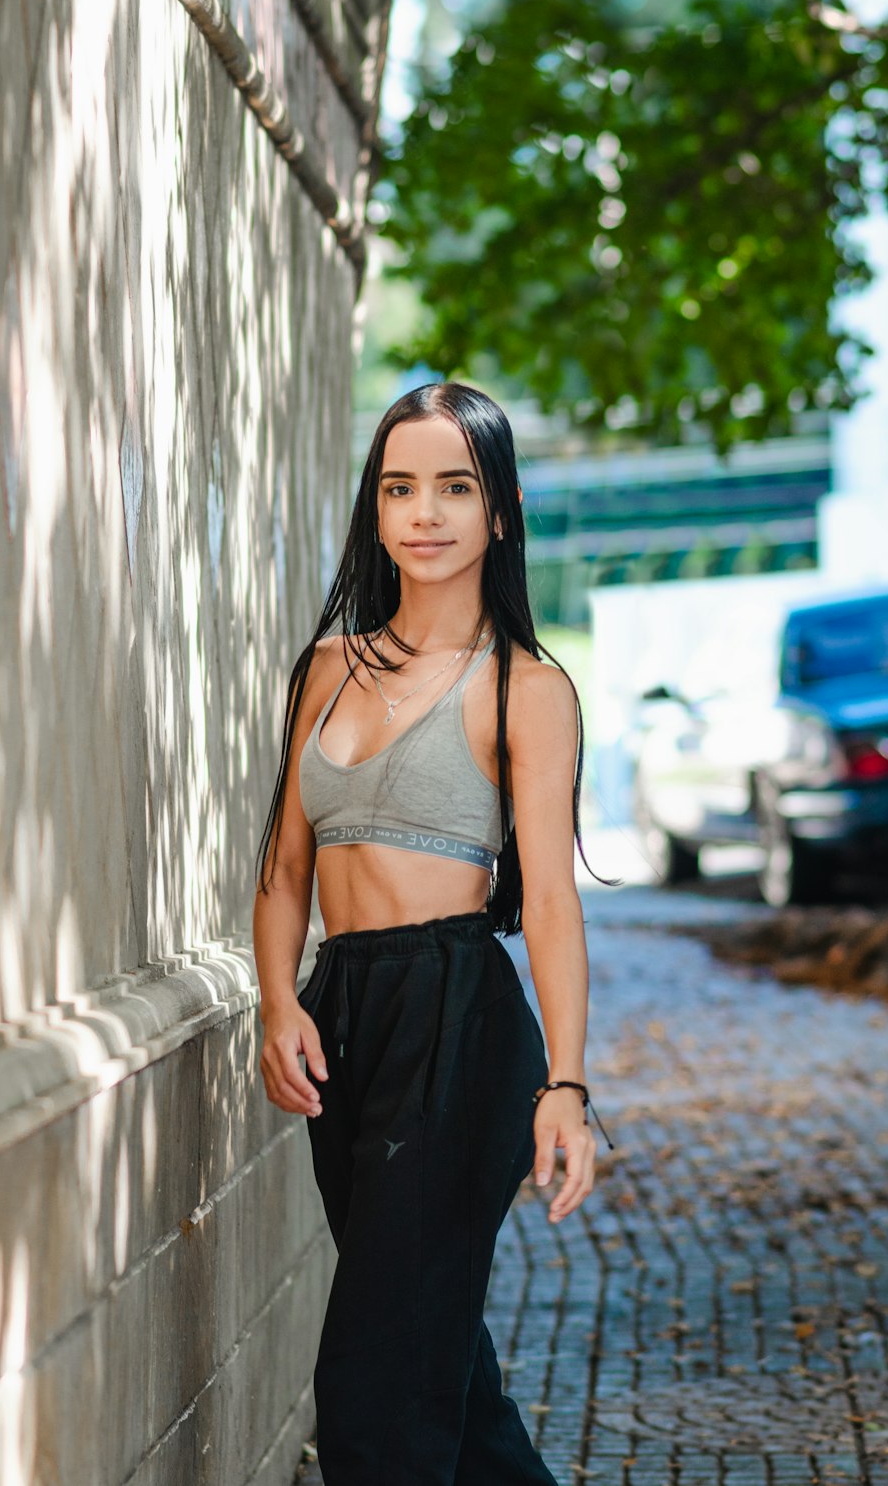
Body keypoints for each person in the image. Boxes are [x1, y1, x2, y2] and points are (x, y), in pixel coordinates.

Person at [253, 381, 617, 1485]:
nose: (424, 511)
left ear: (498, 510)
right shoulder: (325, 668)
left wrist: (566, 1087)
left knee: (373, 1392)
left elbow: (549, 899)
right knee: (440, 1375)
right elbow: (282, 871)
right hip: (343, 1012)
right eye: (399, 486)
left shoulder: (527, 686)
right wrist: (279, 1005)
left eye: (454, 486)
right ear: (375, 509)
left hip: (457, 1016)